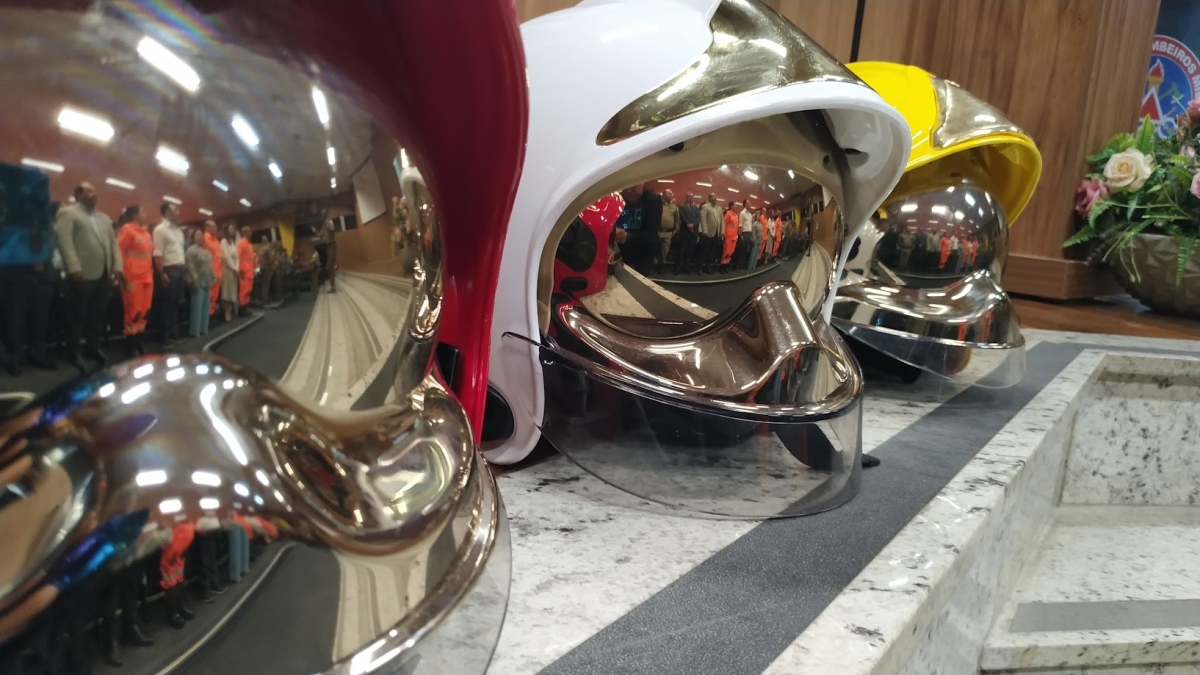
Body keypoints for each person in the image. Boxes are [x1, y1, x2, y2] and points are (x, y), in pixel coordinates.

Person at [52, 182, 123, 371]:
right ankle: (74, 352)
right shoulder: (68, 213)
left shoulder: (104, 218)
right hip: (81, 275)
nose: (94, 194)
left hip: (103, 274)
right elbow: (65, 242)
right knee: (77, 316)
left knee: (97, 315)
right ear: (78, 194)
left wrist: (117, 266)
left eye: (95, 191)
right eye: (89, 191)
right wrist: (74, 268)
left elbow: (113, 244)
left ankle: (93, 348)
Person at [115, 205, 154, 356]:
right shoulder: (127, 230)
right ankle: (130, 345)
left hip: (147, 278)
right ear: (134, 215)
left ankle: (139, 341)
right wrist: (121, 275)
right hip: (132, 278)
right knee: (133, 312)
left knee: (144, 312)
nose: (145, 214)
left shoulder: (146, 234)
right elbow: (119, 252)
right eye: (142, 211)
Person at [151, 201, 186, 346]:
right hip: (168, 270)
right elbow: (157, 254)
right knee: (166, 304)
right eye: (174, 209)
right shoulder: (160, 230)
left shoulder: (178, 232)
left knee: (176, 303)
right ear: (166, 212)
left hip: (180, 269)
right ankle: (164, 336)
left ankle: (173, 332)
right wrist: (161, 273)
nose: (178, 212)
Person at [615, 183, 661, 273]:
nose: (628, 190)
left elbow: (651, 233)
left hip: (643, 254)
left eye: (633, 186)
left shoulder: (652, 200)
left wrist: (627, 237)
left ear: (642, 183)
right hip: (620, 252)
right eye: (625, 186)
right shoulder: (619, 199)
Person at [185, 229, 214, 337]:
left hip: (207, 281)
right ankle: (195, 331)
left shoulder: (206, 251)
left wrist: (213, 277)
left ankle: (204, 328)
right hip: (198, 282)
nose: (200, 236)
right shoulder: (191, 250)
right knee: (197, 308)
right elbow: (190, 266)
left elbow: (210, 266)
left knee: (205, 307)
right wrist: (194, 279)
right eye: (198, 234)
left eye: (201, 234)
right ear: (193, 237)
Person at [219, 223, 239, 322]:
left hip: (234, 270)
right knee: (226, 291)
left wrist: (237, 268)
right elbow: (226, 257)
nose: (233, 230)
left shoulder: (232, 242)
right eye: (231, 228)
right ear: (226, 230)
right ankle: (226, 311)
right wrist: (234, 268)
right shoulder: (223, 241)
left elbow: (237, 257)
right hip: (227, 270)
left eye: (234, 229)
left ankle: (230, 309)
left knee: (232, 291)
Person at [203, 220, 223, 317]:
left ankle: (212, 313)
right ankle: (206, 315)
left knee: (215, 295)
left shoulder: (216, 241)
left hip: (218, 272)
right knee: (209, 295)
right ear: (207, 227)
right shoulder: (204, 239)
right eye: (213, 227)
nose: (215, 228)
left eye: (215, 227)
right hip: (209, 272)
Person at [699, 193, 721, 274]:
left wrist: (721, 232)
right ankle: (700, 268)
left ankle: (707, 267)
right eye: (713, 196)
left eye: (715, 196)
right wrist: (705, 231)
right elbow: (703, 219)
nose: (715, 198)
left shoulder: (719, 208)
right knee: (704, 251)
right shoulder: (705, 207)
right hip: (707, 233)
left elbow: (721, 221)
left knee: (712, 252)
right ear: (709, 198)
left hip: (716, 234)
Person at [657, 188, 679, 270]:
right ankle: (654, 266)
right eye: (668, 193)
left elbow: (677, 219)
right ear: (663, 194)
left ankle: (661, 266)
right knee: (656, 249)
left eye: (671, 193)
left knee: (665, 251)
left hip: (668, 233)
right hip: (657, 231)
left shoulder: (674, 207)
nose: (670, 195)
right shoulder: (658, 205)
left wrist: (676, 229)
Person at [236, 225, 256, 315]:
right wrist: (240, 270)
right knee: (243, 291)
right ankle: (242, 309)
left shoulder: (249, 244)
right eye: (249, 232)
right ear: (245, 233)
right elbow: (238, 257)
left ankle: (245, 308)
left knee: (248, 290)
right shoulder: (242, 243)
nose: (251, 233)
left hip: (250, 271)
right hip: (244, 272)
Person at [720, 202, 739, 268]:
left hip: (734, 237)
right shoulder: (728, 214)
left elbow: (736, 226)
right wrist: (724, 234)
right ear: (731, 206)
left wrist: (736, 235)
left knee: (731, 252)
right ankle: (722, 266)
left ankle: (726, 265)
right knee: (726, 252)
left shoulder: (736, 215)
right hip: (728, 236)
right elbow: (724, 224)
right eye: (735, 205)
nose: (736, 206)